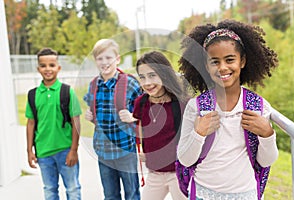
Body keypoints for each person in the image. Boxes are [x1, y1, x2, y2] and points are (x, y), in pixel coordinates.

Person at [177, 19, 279, 200]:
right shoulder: (196, 107)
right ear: (206, 66)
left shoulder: (258, 106)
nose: (222, 67)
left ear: (242, 61)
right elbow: (185, 159)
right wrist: (199, 133)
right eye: (214, 61)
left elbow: (266, 161)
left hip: (245, 194)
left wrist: (267, 134)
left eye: (230, 59)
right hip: (203, 193)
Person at [83, 39, 142, 200]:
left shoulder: (129, 83)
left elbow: (146, 112)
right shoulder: (94, 84)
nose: (104, 62)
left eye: (108, 58)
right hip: (103, 151)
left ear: (117, 59)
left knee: (132, 194)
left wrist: (132, 117)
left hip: (125, 150)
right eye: (100, 58)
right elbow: (97, 113)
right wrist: (91, 116)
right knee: (110, 195)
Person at [128, 51, 188, 200]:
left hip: (178, 173)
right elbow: (141, 128)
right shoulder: (140, 103)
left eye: (152, 75)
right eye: (142, 77)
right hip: (154, 174)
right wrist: (144, 149)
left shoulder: (181, 104)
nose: (147, 82)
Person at [25, 47, 82, 200]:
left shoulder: (67, 91)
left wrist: (74, 150)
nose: (47, 69)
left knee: (73, 189)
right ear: (38, 69)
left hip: (65, 150)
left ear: (58, 67)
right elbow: (30, 123)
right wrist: (29, 151)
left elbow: (76, 121)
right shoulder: (33, 95)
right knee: (50, 190)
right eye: (43, 66)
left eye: (51, 65)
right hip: (43, 153)